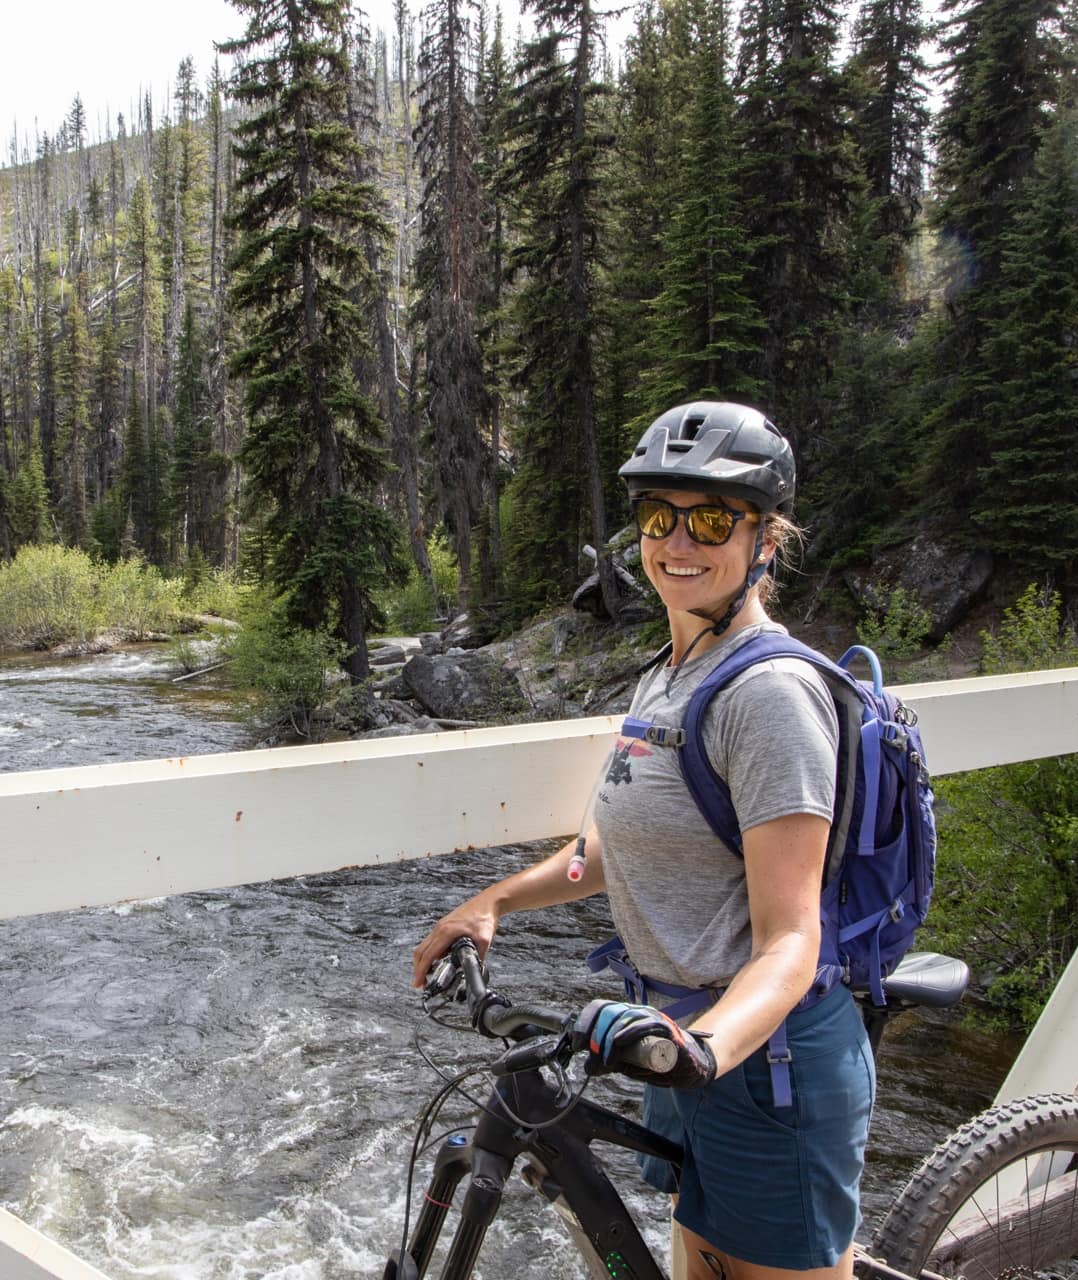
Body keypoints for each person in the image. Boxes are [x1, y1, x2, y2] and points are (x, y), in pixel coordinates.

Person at [411, 401, 874, 1280]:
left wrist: (704, 1051)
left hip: (760, 1061)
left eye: (710, 520)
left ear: (763, 541)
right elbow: (603, 850)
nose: (679, 542)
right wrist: (491, 903)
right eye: (660, 516)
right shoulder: (667, 676)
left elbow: (792, 939)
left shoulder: (769, 696)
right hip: (679, 1046)